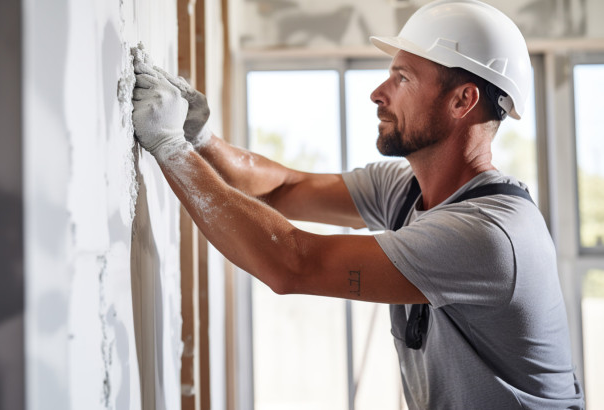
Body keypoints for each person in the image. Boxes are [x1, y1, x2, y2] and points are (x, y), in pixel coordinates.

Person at [131, 0, 585, 408]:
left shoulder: (490, 237)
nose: (378, 93)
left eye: (402, 78)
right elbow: (282, 188)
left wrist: (170, 147)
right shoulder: (406, 188)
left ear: (462, 100)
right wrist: (200, 138)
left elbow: (293, 263)